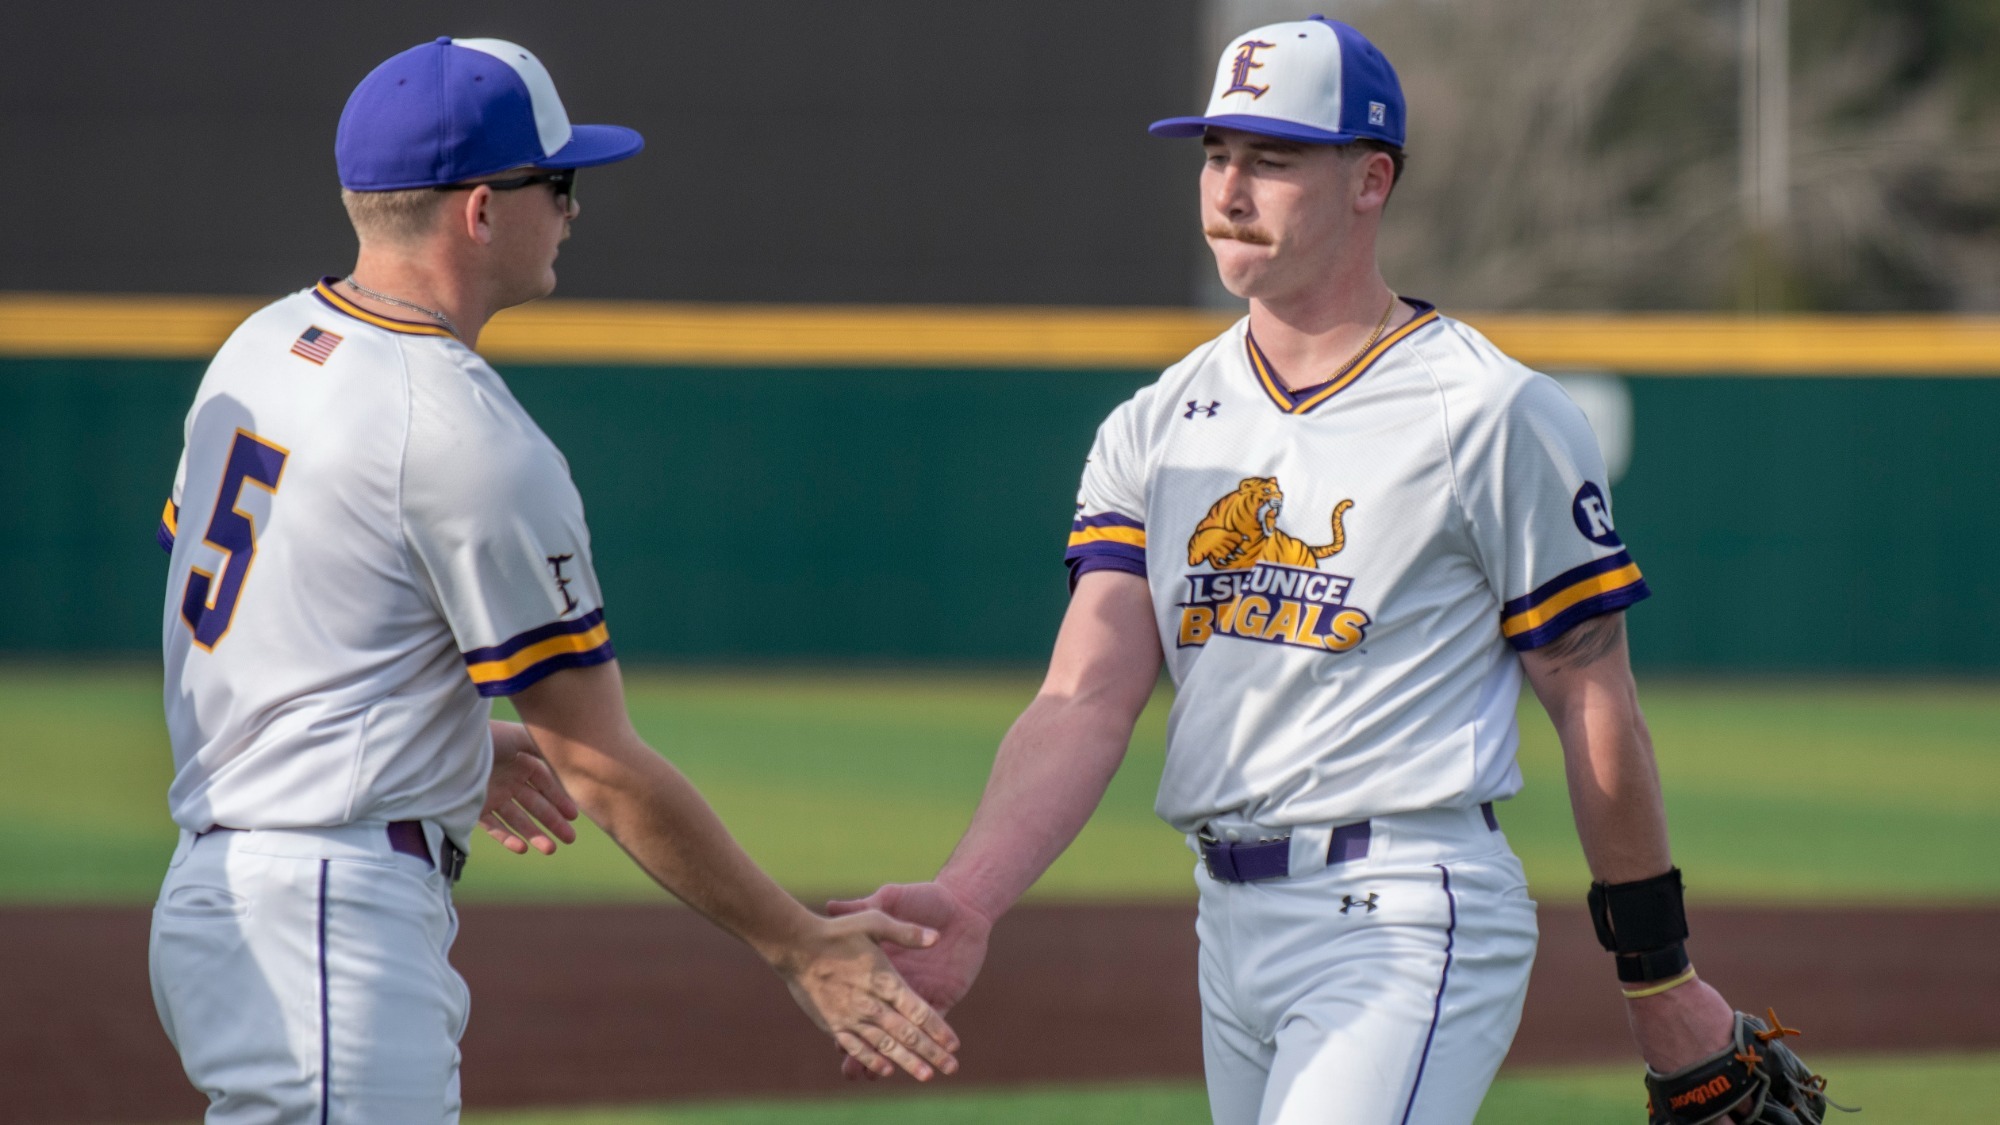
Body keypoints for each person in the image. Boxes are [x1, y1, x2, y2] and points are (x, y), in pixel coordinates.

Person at [829, 17, 1746, 1124]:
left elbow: (1593, 701)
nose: (1228, 188)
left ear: (1369, 180)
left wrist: (1657, 975)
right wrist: (971, 897)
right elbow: (1084, 695)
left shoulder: (1488, 411)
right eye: (1216, 154)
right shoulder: (1156, 425)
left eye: (1272, 159)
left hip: (1405, 909)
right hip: (1227, 920)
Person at [152, 37, 955, 1122]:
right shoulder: (458, 431)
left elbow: (255, 610)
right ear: (481, 210)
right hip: (329, 919)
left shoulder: (260, 344)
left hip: (223, 896)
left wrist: (430, 740)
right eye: (559, 183)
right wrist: (796, 944)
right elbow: (602, 766)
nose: (573, 210)